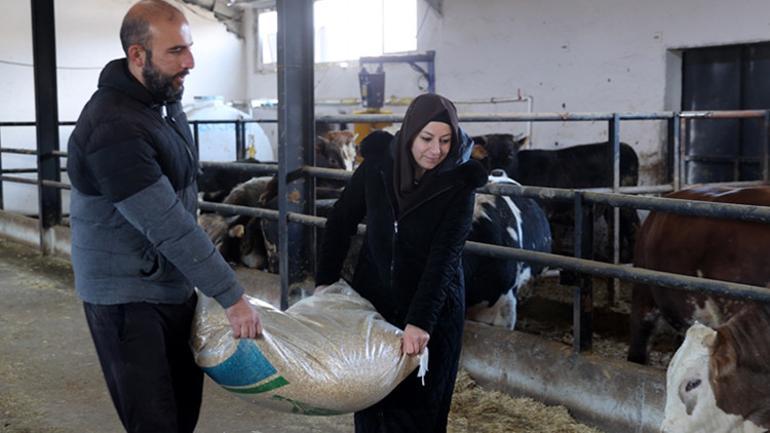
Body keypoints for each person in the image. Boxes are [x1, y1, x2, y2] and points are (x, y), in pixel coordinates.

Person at [66, 1, 261, 432]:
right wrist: (231, 295)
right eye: (176, 51)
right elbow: (167, 223)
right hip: (126, 297)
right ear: (138, 55)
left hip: (169, 284)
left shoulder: (163, 103)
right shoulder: (112, 127)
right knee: (155, 421)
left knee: (182, 411)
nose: (189, 63)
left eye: (189, 49)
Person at [315, 93, 486, 432]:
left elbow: (445, 258)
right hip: (375, 308)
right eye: (426, 139)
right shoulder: (378, 167)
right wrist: (325, 280)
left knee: (419, 413)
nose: (435, 150)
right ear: (409, 134)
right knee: (372, 407)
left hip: (432, 310)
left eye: (445, 140)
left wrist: (421, 322)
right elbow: (341, 219)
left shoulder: (459, 184)